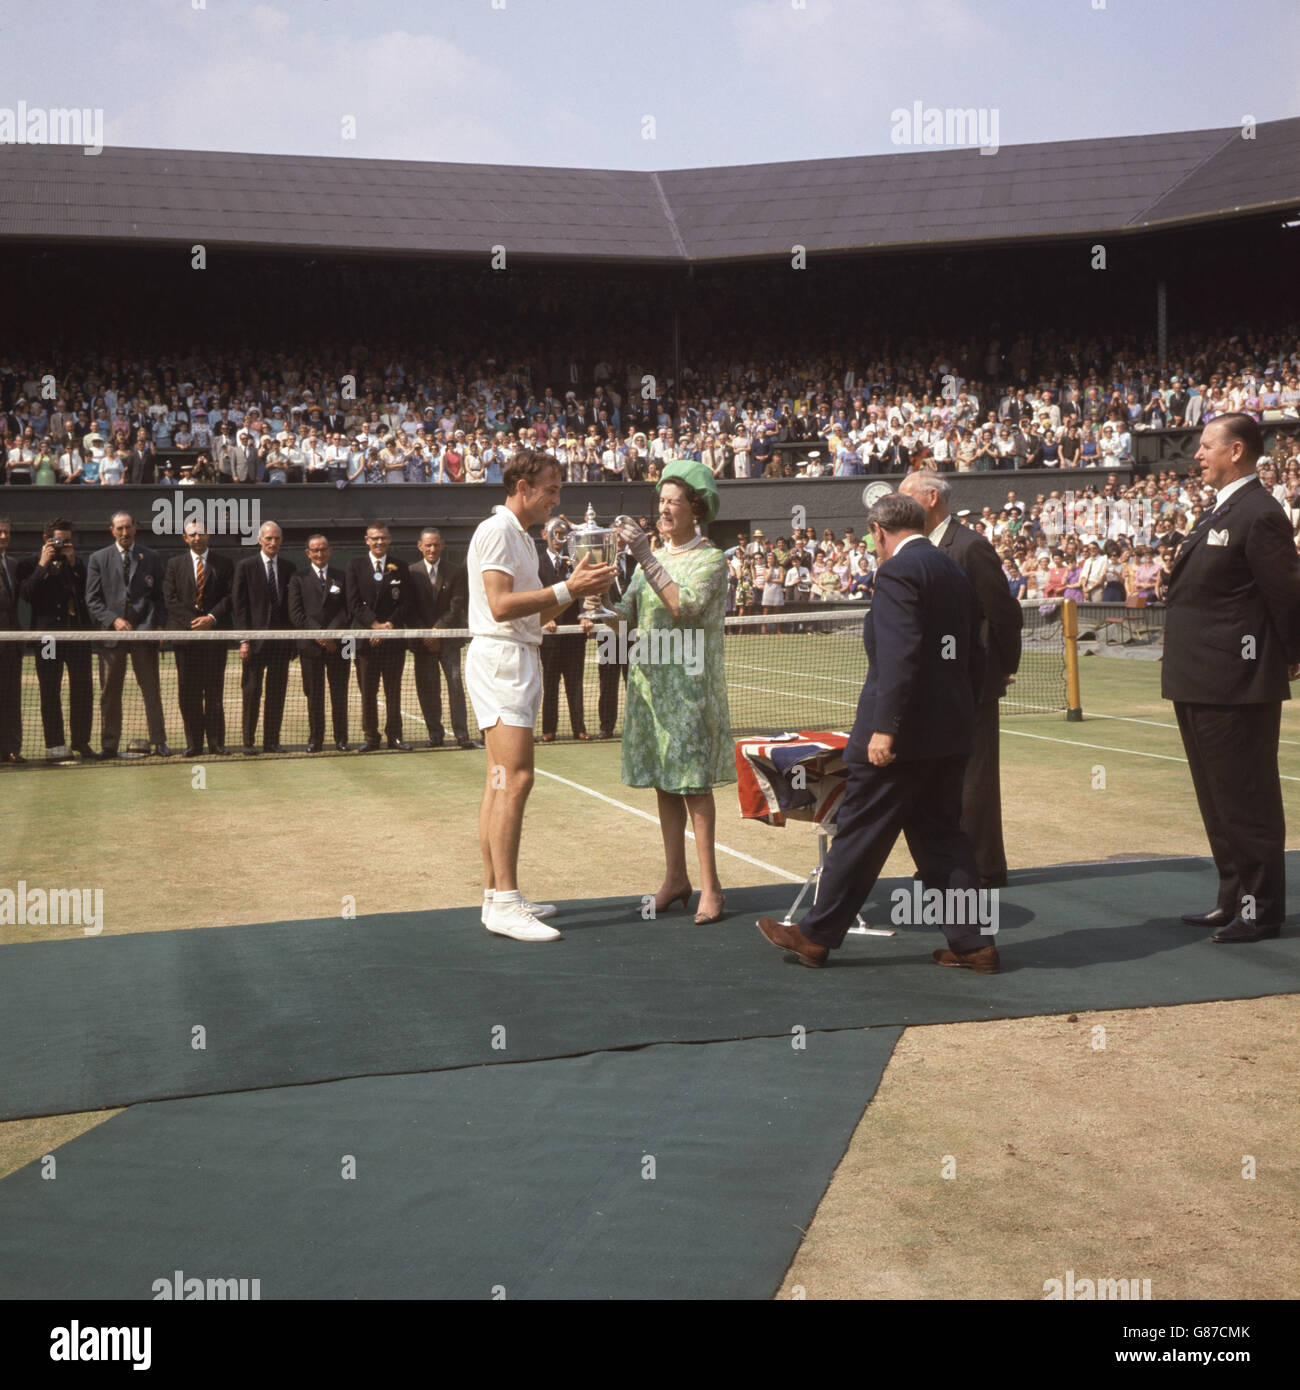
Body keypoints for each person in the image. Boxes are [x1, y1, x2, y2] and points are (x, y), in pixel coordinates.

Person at [758, 492, 992, 970]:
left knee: (860, 832)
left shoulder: (899, 572)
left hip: (902, 739)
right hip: (948, 733)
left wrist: (886, 729)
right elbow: (974, 653)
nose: (873, 545)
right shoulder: (952, 568)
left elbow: (899, 654)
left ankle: (815, 936)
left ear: (879, 530)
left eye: (872, 537)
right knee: (944, 840)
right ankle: (975, 944)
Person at [465, 448, 614, 942]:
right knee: (517, 778)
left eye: (559, 488)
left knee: (499, 779)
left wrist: (553, 607)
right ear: (522, 487)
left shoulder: (522, 538)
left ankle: (496, 897)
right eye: (549, 488)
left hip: (516, 656)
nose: (556, 497)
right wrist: (568, 590)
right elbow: (500, 604)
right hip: (502, 662)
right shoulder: (498, 531)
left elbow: (517, 608)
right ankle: (505, 902)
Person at [1163, 414, 1300, 944]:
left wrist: (1289, 655)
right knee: (1216, 798)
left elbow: (1285, 594)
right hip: (1199, 677)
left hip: (1236, 682)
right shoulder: (1219, 510)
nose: (1196, 455)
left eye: (1205, 447)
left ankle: (1260, 910)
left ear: (1236, 451)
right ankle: (1231, 897)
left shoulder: (1259, 512)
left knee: (1246, 798)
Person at [592, 460, 734, 924]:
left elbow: (683, 606)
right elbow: (625, 617)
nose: (665, 509)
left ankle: (712, 887)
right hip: (650, 689)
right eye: (662, 501)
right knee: (663, 783)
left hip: (690, 690)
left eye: (675, 501)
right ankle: (676, 878)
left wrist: (644, 555)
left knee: (694, 786)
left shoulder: (711, 560)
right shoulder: (647, 561)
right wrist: (594, 604)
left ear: (696, 508)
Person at [900, 472, 1023, 888]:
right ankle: (943, 867)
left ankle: (984, 869)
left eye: (907, 496)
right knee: (938, 779)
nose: (901, 504)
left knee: (975, 779)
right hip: (932, 683)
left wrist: (1005, 666)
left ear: (931, 498)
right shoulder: (915, 550)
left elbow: (1003, 611)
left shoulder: (970, 547)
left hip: (972, 683)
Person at [85, 511, 170, 758]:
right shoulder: (98, 558)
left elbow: (160, 598)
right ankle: (109, 744)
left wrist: (160, 626)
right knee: (109, 693)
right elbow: (92, 599)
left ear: (136, 528)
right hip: (111, 638)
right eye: (119, 528)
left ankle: (159, 741)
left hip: (144, 635)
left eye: (128, 527)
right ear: (112, 530)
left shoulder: (151, 557)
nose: (124, 532)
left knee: (151, 690)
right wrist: (114, 620)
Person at [19, 517, 95, 760]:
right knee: (50, 689)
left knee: (82, 689)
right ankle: (55, 744)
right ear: (46, 539)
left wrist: (73, 566)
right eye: (59, 540)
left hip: (76, 636)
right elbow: (27, 595)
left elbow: (87, 595)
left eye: (68, 541)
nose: (63, 545)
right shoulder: (30, 564)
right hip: (49, 638)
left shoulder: (78, 564)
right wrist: (43, 565)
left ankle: (81, 742)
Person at [163, 518, 234, 757]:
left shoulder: (224, 564)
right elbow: (170, 598)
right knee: (189, 693)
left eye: (201, 533)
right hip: (186, 640)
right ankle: (194, 744)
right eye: (192, 534)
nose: (197, 538)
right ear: (185, 538)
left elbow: (229, 596)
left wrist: (211, 619)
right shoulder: (174, 564)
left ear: (209, 534)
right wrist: (193, 624)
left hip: (214, 639)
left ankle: (216, 744)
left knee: (214, 693)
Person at [406, 527, 477, 750]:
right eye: (428, 545)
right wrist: (426, 634)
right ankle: (435, 735)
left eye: (436, 544)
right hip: (423, 644)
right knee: (428, 689)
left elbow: (456, 605)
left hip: (449, 641)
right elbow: (409, 608)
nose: (432, 549)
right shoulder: (411, 572)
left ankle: (462, 735)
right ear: (420, 546)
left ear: (442, 545)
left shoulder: (455, 572)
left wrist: (438, 630)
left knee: (455, 686)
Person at [232, 521, 297, 754]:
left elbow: (291, 609)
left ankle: (272, 741)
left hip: (280, 644)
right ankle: (248, 742)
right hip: (254, 644)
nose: (273, 543)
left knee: (276, 694)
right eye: (268, 538)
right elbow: (239, 608)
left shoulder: (289, 567)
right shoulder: (245, 566)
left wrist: (292, 642)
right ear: (260, 540)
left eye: (277, 539)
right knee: (251, 693)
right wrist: (244, 640)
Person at [346, 523, 411, 752]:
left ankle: (395, 737)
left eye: (383, 538)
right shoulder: (355, 566)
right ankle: (371, 737)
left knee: (393, 692)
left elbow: (406, 602)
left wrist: (389, 626)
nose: (379, 542)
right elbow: (353, 603)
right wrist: (373, 626)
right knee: (368, 693)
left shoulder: (401, 566)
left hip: (393, 642)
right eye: (375, 538)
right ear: (367, 540)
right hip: (365, 643)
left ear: (389, 539)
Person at [288, 533, 352, 752]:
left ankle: (341, 739)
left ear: (330, 551)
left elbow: (347, 611)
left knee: (340, 694)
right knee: (314, 695)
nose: (319, 554)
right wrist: (319, 635)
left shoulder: (342, 576)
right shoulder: (298, 578)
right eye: (315, 550)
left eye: (323, 549)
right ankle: (316, 739)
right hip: (310, 647)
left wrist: (332, 635)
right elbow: (296, 614)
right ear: (308, 553)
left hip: (340, 646)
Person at [537, 527, 589, 742]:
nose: (559, 537)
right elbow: (535, 593)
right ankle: (549, 729)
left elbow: (582, 592)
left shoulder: (575, 562)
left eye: (563, 533)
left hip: (574, 635)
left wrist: (585, 615)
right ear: (544, 535)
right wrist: (544, 616)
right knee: (550, 684)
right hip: (549, 637)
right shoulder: (536, 563)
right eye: (555, 532)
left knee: (575, 684)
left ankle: (580, 728)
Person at [0, 518, 24, 762]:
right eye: (0, 532)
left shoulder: (13, 565)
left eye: (6, 532)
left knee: (11, 699)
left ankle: (11, 750)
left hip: (12, 645)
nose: (3, 537)